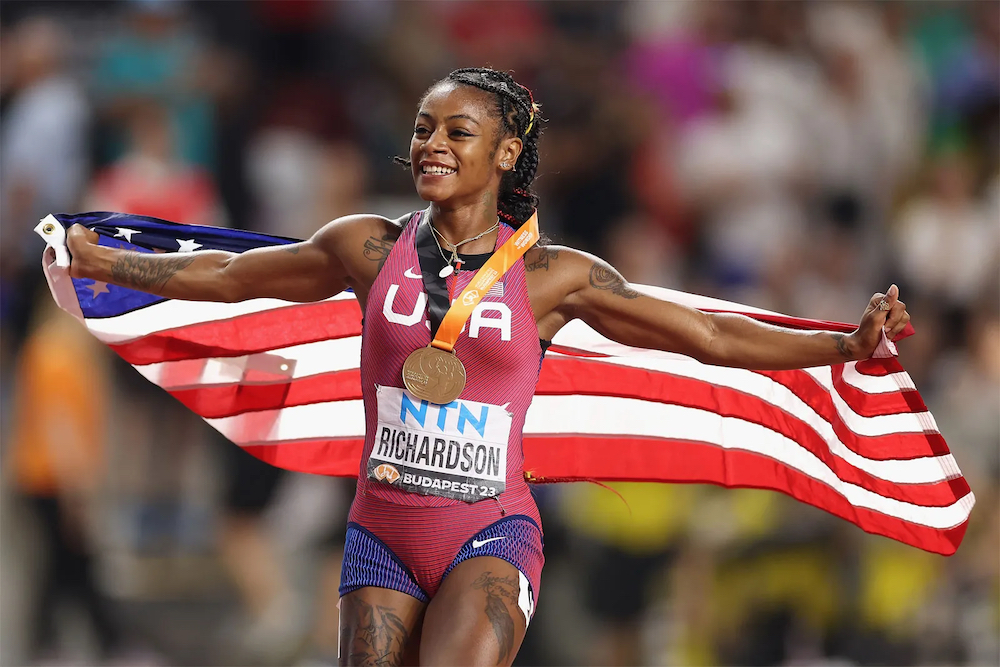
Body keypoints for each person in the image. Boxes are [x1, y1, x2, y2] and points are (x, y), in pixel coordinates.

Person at [62, 67, 911, 666]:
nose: (430, 143)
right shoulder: (365, 245)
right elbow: (231, 277)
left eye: (456, 132)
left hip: (489, 533)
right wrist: (110, 267)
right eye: (423, 127)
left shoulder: (554, 275)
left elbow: (709, 337)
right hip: (379, 536)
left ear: (505, 156)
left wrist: (841, 346)